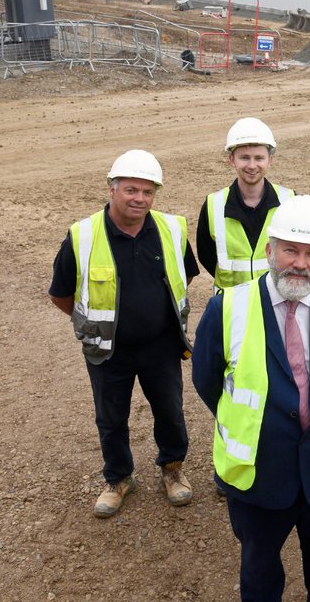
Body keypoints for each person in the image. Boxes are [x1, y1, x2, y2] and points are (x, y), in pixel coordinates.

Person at [192, 194, 310, 602]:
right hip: (258, 474)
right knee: (260, 576)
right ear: (270, 250)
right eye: (291, 250)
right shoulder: (227, 308)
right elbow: (207, 383)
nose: (300, 263)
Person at [48, 149, 199, 518]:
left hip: (161, 346)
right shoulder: (82, 236)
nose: (140, 199)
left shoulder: (172, 229)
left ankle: (172, 469)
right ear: (112, 188)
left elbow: (187, 274)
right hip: (108, 349)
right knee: (111, 417)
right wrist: (94, 323)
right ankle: (118, 478)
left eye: (148, 192)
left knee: (170, 410)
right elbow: (60, 293)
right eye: (131, 190)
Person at [196, 117, 295, 291]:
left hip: (276, 303)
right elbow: (207, 256)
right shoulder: (214, 205)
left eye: (259, 158)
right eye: (244, 158)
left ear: (270, 160)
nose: (252, 165)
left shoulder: (290, 202)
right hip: (230, 306)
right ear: (232, 159)